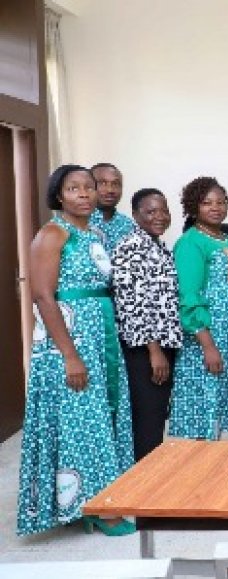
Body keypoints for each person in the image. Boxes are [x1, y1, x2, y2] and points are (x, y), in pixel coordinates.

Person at [18, 165, 134, 536]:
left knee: (98, 419)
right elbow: (42, 295)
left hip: (100, 337)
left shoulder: (96, 234)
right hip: (68, 341)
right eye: (74, 188)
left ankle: (98, 498)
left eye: (89, 187)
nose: (84, 194)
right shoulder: (52, 234)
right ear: (58, 195)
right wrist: (69, 353)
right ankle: (98, 508)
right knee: (83, 421)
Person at [170, 177, 228, 440]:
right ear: (194, 207)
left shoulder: (224, 238)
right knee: (205, 406)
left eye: (221, 202)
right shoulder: (191, 243)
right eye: (207, 203)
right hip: (207, 336)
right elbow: (189, 297)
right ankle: (201, 472)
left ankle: (217, 468)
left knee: (219, 405)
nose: (216, 207)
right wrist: (207, 345)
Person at [111, 188, 182, 460]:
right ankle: (142, 487)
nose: (160, 217)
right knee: (148, 421)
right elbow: (133, 305)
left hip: (162, 345)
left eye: (164, 210)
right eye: (151, 211)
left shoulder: (157, 245)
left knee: (154, 418)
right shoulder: (131, 248)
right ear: (135, 215)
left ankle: (147, 481)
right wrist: (154, 352)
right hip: (146, 350)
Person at [88, 163, 135, 253]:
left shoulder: (129, 226)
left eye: (116, 184)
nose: (110, 190)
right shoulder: (76, 223)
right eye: (102, 183)